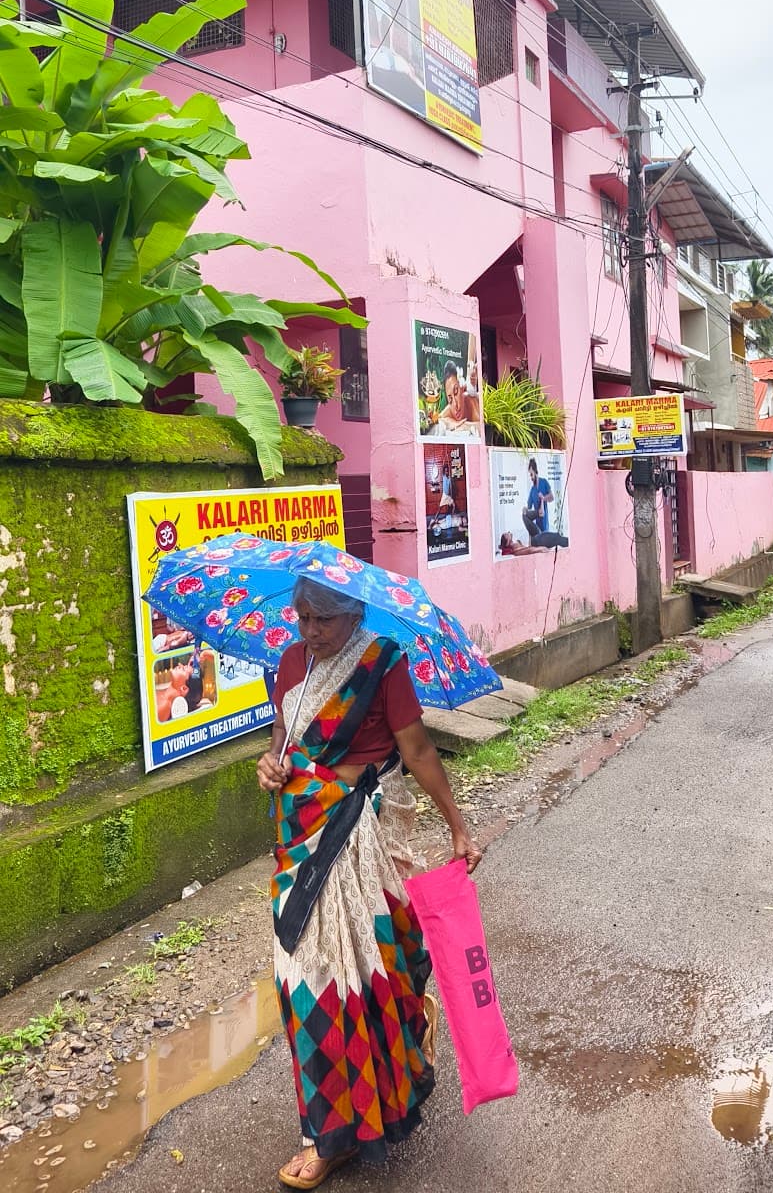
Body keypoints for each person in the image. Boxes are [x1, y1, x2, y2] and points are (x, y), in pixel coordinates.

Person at [257, 577, 480, 1190]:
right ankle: (328, 1129)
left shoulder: (383, 664)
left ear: (354, 613)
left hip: (362, 837)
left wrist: (458, 827)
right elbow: (282, 738)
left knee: (382, 964)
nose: (309, 630)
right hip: (300, 838)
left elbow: (417, 750)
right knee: (307, 976)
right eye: (301, 616)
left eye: (322, 618)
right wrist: (270, 765)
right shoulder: (290, 660)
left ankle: (404, 1040)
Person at [441, 361, 480, 429]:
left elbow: (482, 428)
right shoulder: (448, 411)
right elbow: (438, 420)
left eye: (456, 392)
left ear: (463, 388)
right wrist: (450, 423)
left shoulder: (471, 401)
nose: (455, 405)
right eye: (450, 399)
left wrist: (463, 426)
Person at [522, 457, 553, 539]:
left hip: (545, 525)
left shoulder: (544, 482)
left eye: (531, 474)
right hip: (537, 528)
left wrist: (543, 497)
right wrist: (525, 508)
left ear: (535, 472)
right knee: (525, 515)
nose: (531, 477)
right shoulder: (532, 490)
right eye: (530, 475)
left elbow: (551, 497)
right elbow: (528, 506)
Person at [499, 530, 569, 556]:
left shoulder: (515, 544)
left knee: (558, 538)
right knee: (558, 539)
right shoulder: (515, 548)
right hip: (538, 541)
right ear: (507, 542)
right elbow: (529, 550)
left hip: (538, 539)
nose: (509, 532)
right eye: (507, 534)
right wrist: (540, 549)